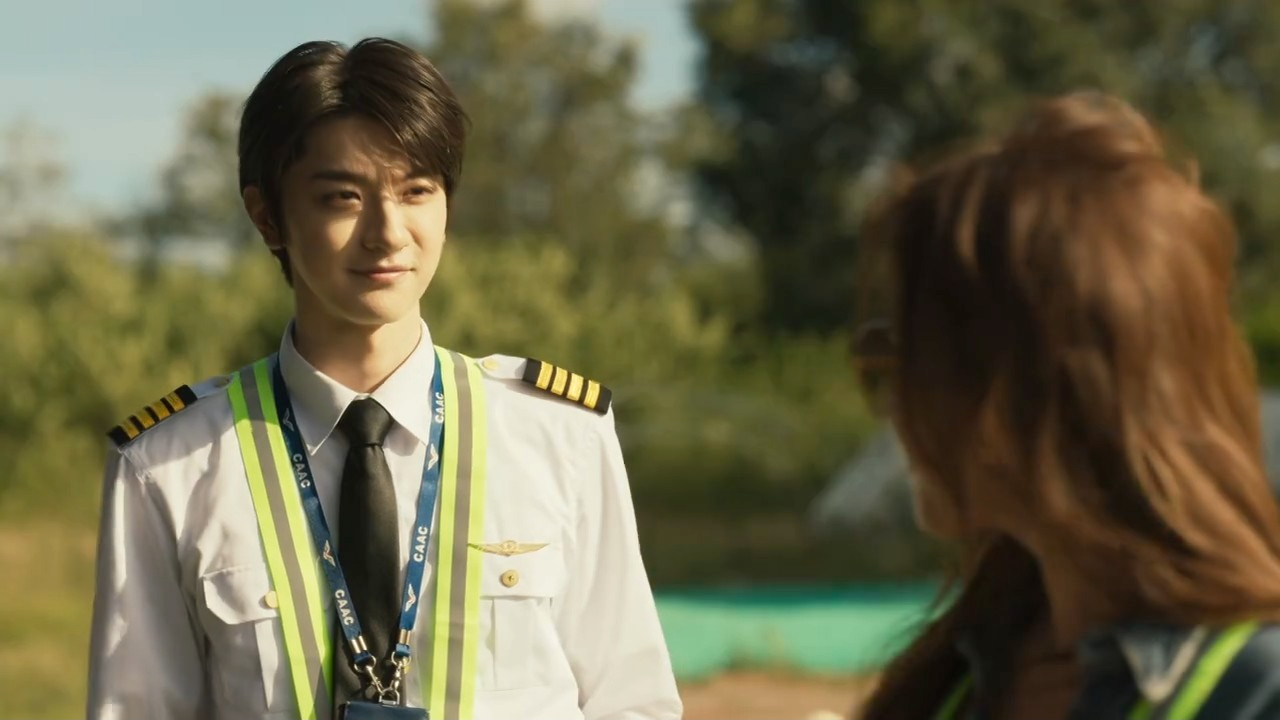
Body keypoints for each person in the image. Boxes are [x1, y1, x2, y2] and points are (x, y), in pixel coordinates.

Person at [85, 38, 682, 720]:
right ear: (267, 216)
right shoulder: (169, 465)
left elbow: (631, 703)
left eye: (416, 191)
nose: (388, 232)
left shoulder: (559, 435)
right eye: (343, 198)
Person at [849, 92, 1280, 720]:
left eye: (901, 364)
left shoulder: (1255, 694)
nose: (894, 411)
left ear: (1007, 399)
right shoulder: (968, 671)